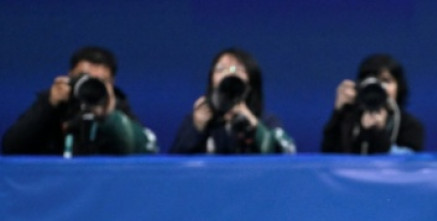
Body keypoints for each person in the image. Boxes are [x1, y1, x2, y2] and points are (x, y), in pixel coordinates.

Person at [2, 46, 157, 156]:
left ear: (112, 84)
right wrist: (49, 105)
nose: (90, 85)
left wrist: (109, 117)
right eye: (84, 77)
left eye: (100, 81)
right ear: (70, 75)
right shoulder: (54, 102)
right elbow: (11, 147)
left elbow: (149, 150)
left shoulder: (116, 108)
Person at [169, 48, 295, 155]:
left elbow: (288, 154)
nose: (229, 74)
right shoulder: (197, 120)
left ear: (251, 83)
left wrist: (255, 127)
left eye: (239, 69)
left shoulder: (266, 120)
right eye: (220, 69)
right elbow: (173, 166)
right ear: (211, 81)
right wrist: (196, 128)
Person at [321, 53, 425, 154]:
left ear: (399, 86)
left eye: (386, 81)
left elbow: (408, 161)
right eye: (372, 81)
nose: (379, 87)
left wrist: (379, 132)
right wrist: (338, 112)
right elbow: (328, 157)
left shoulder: (410, 125)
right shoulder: (349, 120)